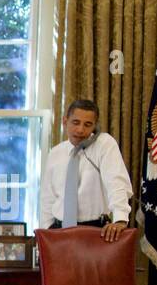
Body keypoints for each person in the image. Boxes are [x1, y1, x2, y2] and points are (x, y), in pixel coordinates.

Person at [40, 99, 132, 242]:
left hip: (95, 230)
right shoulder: (55, 153)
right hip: (58, 231)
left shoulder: (104, 144)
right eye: (75, 122)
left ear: (95, 126)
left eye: (87, 124)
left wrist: (120, 219)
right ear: (65, 122)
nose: (81, 130)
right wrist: (45, 234)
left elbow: (116, 182)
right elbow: (48, 198)